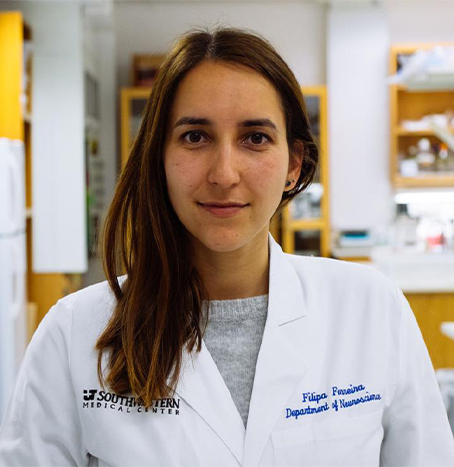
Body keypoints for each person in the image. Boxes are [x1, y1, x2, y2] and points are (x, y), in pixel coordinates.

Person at [0, 26, 453, 467]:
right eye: (195, 137)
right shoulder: (74, 334)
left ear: (293, 165)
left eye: (255, 138)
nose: (224, 174)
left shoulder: (372, 309)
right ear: (160, 157)